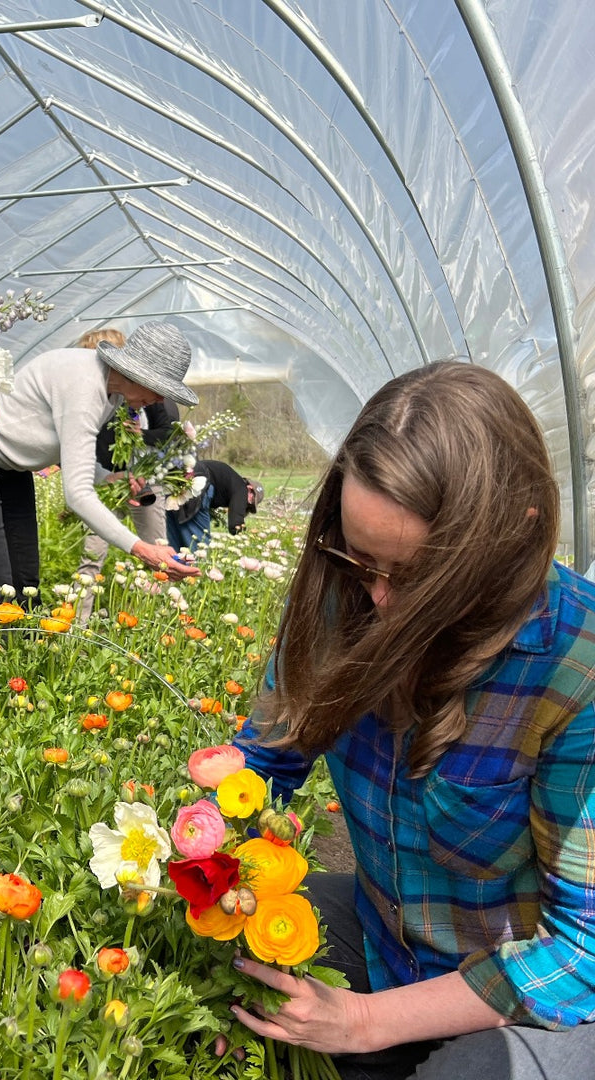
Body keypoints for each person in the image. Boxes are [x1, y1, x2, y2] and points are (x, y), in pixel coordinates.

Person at [229, 361, 595, 1079]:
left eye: (418, 576)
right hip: (382, 934)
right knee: (221, 961)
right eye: (361, 560)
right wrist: (206, 837)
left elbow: (582, 950)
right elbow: (269, 759)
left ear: (514, 537)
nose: (382, 602)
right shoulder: (348, 598)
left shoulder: (574, 669)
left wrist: (363, 1023)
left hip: (518, 992)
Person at [0, 322, 201, 640]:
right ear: (138, 373)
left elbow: (67, 449)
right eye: (160, 389)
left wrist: (109, 476)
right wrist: (141, 549)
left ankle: (22, 677)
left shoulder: (110, 392)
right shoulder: (84, 384)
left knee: (25, 583)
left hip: (9, 466)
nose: (159, 400)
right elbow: (77, 495)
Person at [73, 328, 180, 622]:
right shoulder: (87, 398)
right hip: (104, 486)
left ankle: (160, 624)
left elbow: (171, 433)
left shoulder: (151, 397)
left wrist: (141, 437)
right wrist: (105, 477)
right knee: (92, 555)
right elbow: (72, 449)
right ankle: (77, 626)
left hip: (145, 485)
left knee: (157, 553)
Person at [165, 458, 263, 552]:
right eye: (252, 498)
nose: (248, 502)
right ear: (249, 488)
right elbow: (235, 524)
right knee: (200, 547)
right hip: (197, 484)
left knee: (175, 546)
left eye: (251, 504)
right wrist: (247, 538)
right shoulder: (242, 489)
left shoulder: (231, 482)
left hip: (179, 479)